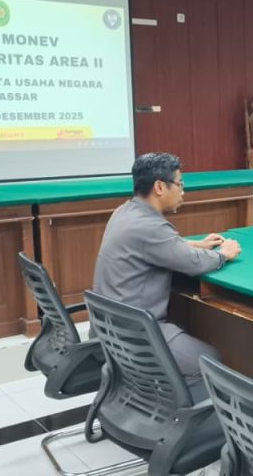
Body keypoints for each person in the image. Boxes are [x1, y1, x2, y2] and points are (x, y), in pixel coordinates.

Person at [92, 152, 241, 399]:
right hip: (136, 334)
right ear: (160, 187)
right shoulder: (150, 226)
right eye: (180, 184)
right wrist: (223, 254)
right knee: (209, 360)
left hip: (109, 328)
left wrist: (195, 244)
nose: (183, 192)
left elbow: (158, 246)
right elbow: (193, 264)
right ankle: (193, 414)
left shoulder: (125, 211)